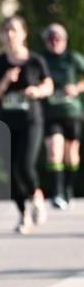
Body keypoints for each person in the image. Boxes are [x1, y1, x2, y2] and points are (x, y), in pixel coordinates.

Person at [0, 16, 53, 233]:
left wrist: (38, 91)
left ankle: (36, 195)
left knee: (24, 164)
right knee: (10, 173)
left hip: (31, 121)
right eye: (6, 30)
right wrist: (4, 82)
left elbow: (49, 85)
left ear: (24, 34)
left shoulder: (35, 61)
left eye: (14, 30)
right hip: (6, 124)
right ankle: (22, 214)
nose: (10, 34)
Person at [41, 23, 84, 209]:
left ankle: (67, 188)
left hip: (71, 112)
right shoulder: (42, 60)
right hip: (50, 113)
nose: (54, 42)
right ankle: (57, 193)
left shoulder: (73, 58)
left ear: (64, 40)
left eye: (57, 38)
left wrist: (76, 88)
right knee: (53, 149)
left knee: (71, 155)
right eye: (50, 39)